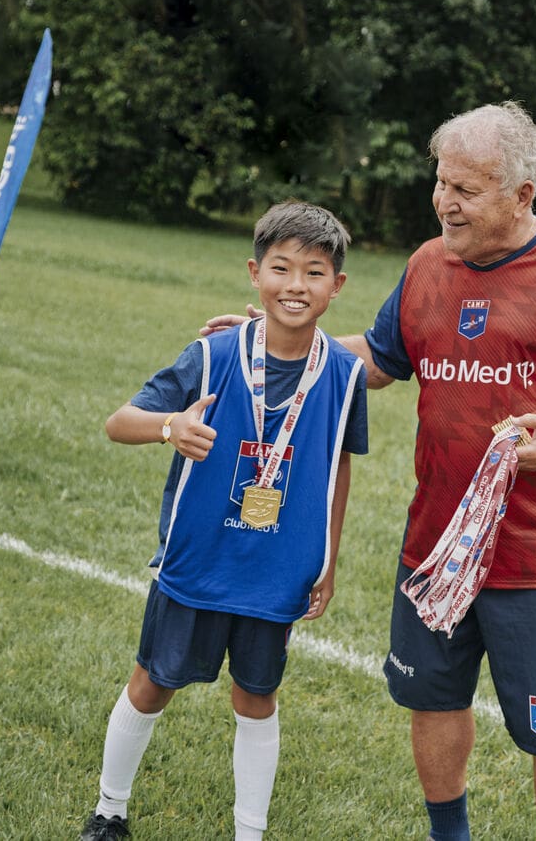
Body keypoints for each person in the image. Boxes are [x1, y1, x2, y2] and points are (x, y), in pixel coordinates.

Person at [205, 102, 536, 840]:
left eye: (466, 189)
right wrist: (273, 337)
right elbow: (382, 362)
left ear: (522, 195)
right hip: (434, 543)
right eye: (440, 182)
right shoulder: (429, 264)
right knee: (434, 698)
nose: (443, 202)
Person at [80, 201, 367, 841]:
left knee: (255, 699)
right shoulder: (213, 354)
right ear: (254, 273)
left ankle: (249, 832)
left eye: (314, 272)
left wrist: (328, 559)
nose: (296, 285)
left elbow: (336, 470)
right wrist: (169, 426)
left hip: (277, 569)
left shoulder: (345, 376)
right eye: (282, 268)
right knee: (153, 683)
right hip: (199, 557)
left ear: (337, 286)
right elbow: (116, 422)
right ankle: (108, 811)